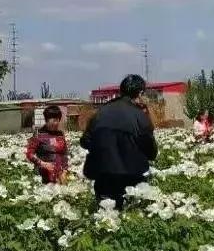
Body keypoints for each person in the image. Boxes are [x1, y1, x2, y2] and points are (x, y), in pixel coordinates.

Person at [81, 75, 158, 209]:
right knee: (130, 216)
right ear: (140, 93)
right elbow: (151, 152)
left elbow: (85, 141)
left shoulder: (100, 112)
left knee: (105, 216)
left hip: (103, 178)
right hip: (131, 180)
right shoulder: (140, 115)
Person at [26, 105, 69, 184]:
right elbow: (29, 154)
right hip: (43, 176)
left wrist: (65, 171)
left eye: (58, 120)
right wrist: (43, 164)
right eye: (53, 120)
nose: (56, 123)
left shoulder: (60, 134)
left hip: (59, 176)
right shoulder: (39, 134)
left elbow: (64, 153)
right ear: (47, 120)